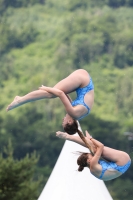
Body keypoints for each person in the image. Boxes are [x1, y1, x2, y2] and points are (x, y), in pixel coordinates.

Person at [6, 69, 94, 133]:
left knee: (52, 93)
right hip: (83, 81)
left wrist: (53, 90)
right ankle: (19, 100)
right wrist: (47, 88)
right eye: (63, 121)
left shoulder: (77, 115)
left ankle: (20, 100)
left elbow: (63, 95)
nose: (63, 118)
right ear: (69, 122)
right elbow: (60, 93)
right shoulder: (73, 113)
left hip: (84, 79)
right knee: (50, 94)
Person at [56, 130, 131, 181]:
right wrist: (91, 138)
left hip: (122, 166)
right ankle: (68, 137)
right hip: (123, 160)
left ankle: (69, 137)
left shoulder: (92, 170)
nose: (93, 156)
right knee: (95, 149)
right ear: (88, 160)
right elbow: (101, 146)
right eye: (91, 156)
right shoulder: (93, 164)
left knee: (95, 150)